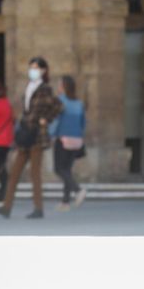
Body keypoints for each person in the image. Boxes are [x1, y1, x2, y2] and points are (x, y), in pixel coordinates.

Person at [0, 57, 63, 219]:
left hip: (37, 135)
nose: (33, 70)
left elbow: (58, 106)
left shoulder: (45, 89)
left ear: (44, 70)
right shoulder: (30, 87)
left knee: (34, 173)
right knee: (15, 172)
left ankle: (38, 208)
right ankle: (6, 207)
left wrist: (46, 119)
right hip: (25, 134)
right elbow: (26, 109)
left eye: (36, 67)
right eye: (31, 67)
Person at [51, 75, 87, 211]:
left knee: (59, 169)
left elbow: (55, 120)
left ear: (64, 86)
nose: (58, 87)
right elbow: (83, 122)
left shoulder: (60, 101)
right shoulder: (79, 103)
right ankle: (65, 202)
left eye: (59, 84)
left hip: (63, 139)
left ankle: (78, 190)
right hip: (76, 140)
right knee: (67, 170)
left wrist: (50, 134)